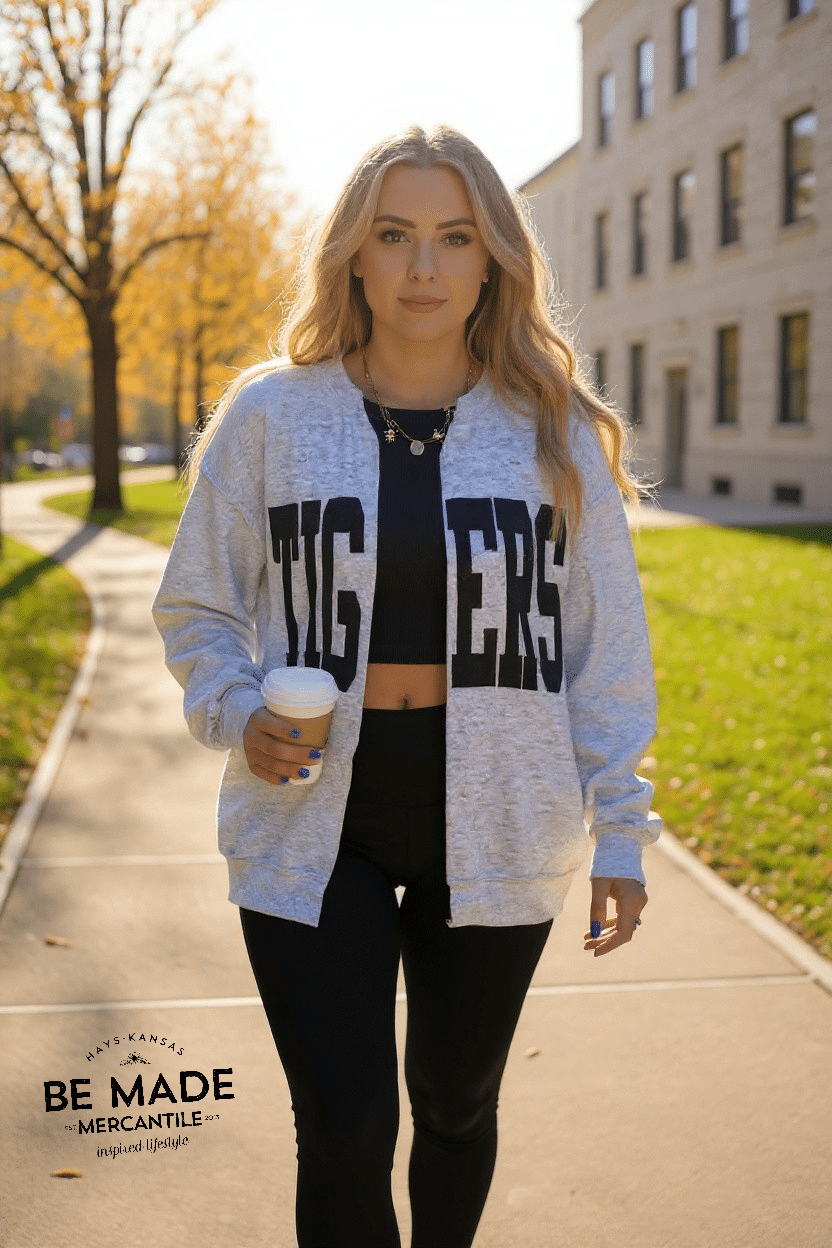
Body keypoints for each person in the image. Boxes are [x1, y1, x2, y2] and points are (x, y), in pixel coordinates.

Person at [152, 124, 660, 1248]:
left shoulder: (553, 433)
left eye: (454, 237)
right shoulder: (271, 417)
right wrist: (238, 714)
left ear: (495, 260)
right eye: (393, 236)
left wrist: (621, 831)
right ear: (352, 255)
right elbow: (197, 606)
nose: (423, 267)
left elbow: (605, 651)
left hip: (503, 813)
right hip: (306, 817)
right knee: (344, 1125)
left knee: (456, 1105)